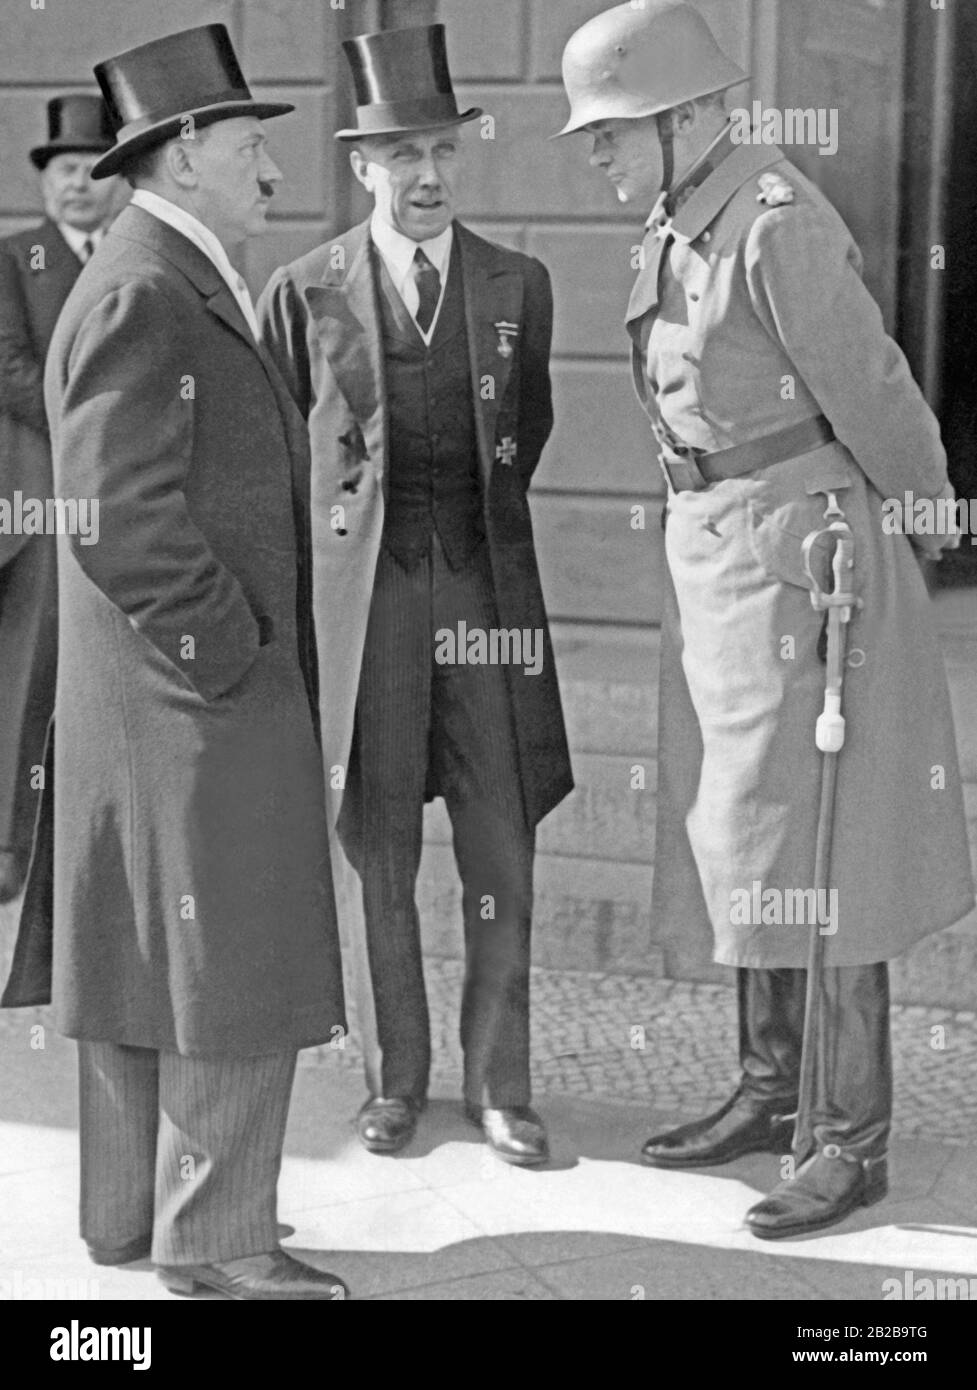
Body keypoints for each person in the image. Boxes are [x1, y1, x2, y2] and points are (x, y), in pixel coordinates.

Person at [557, 0, 974, 1238]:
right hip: (721, 559)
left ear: (689, 117)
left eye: (612, 130)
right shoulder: (684, 217)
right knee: (748, 835)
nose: (594, 153)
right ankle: (765, 1084)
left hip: (807, 567)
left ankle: (849, 1137)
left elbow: (873, 386)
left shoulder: (775, 224)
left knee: (828, 846)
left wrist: (931, 514)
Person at [1, 24, 349, 1300]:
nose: (270, 172)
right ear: (188, 151)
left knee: (141, 956)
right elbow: (115, 514)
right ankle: (218, 1245)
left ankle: (125, 1220)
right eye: (252, 146)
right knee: (228, 967)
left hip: (157, 694)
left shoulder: (155, 269)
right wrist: (232, 650)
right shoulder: (150, 285)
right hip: (194, 693)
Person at [259, 23, 573, 1168]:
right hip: (368, 609)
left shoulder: (515, 285)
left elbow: (522, 431)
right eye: (402, 156)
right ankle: (396, 1082)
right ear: (361, 167)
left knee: (501, 844)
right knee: (376, 845)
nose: (427, 176)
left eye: (441, 150)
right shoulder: (302, 291)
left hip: (482, 596)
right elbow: (277, 458)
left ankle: (502, 1086)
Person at [0, 95, 121, 903]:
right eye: (63, 170)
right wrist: (98, 418)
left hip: (126, 488)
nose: (77, 184)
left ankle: (95, 838)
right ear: (45, 185)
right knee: (32, 659)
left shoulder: (133, 256)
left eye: (90, 169)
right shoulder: (16, 259)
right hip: (42, 489)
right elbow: (8, 366)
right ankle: (12, 843)